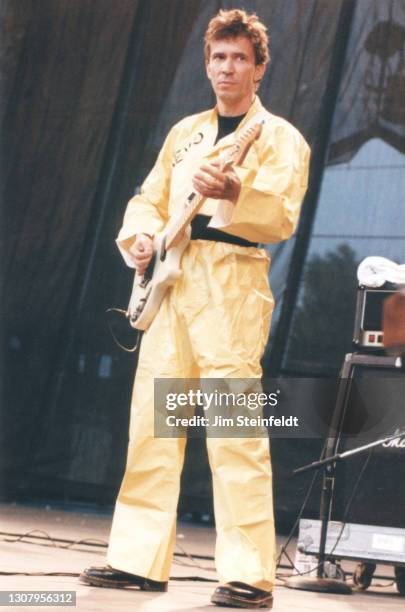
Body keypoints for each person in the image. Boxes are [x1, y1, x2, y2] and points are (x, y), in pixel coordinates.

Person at [80, 8, 310, 609]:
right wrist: (138, 238)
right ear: (207, 65)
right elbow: (148, 198)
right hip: (171, 281)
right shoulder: (184, 133)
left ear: (259, 68)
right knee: (154, 426)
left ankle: (250, 575)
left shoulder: (279, 137)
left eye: (239, 58)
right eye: (218, 57)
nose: (227, 68)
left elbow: (282, 214)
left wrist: (236, 191)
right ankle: (136, 561)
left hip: (231, 286)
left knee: (232, 432)